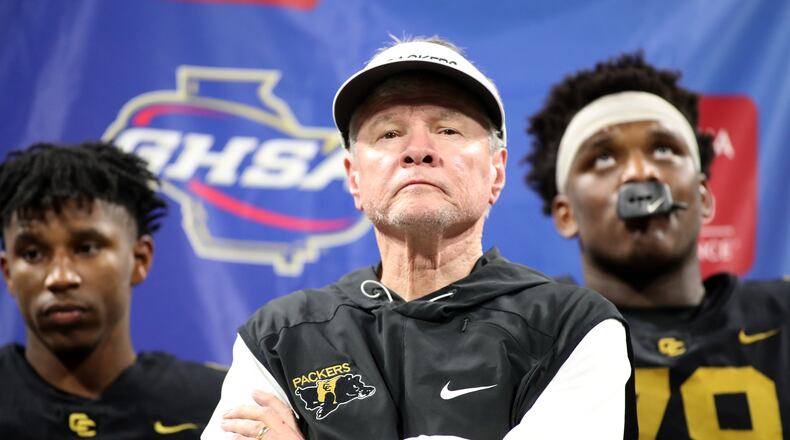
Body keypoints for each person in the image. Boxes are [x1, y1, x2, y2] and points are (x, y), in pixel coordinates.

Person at [203, 37, 637, 440]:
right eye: (389, 133)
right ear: (354, 178)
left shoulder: (571, 326)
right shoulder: (280, 336)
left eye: (448, 129)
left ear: (496, 172)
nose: (418, 149)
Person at [524, 52, 790, 439]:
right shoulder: (530, 337)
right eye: (602, 158)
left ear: (702, 196)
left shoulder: (782, 318)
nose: (639, 173)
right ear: (566, 213)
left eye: (664, 149)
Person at [0, 141, 225, 439]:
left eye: (86, 248)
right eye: (32, 254)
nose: (60, 277)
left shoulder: (222, 405)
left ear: (139, 259)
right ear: (8, 273)